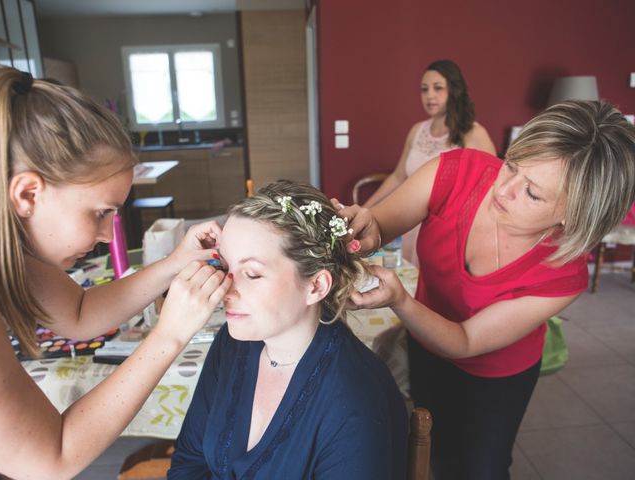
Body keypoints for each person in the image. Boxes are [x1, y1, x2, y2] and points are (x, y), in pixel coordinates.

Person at [339, 100, 635, 479]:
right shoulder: (457, 171)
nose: (504, 188)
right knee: (437, 449)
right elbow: (379, 226)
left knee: (485, 467)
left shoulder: (564, 273)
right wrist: (361, 230)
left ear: (573, 214)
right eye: (511, 164)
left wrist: (399, 300)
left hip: (499, 373)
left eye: (533, 193)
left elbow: (464, 340)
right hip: (427, 347)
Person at [0, 66, 232, 479]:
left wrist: (176, 261)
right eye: (100, 213)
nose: (108, 235)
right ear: (28, 193)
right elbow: (50, 460)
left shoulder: (15, 251)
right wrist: (170, 333)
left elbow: (81, 313)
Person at [168, 180, 408, 479]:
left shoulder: (353, 399)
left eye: (252, 274)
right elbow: (189, 464)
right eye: (225, 267)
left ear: (316, 286)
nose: (226, 289)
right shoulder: (233, 344)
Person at [364, 59, 496, 266]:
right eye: (424, 89)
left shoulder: (474, 133)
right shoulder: (417, 131)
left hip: (447, 231)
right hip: (411, 225)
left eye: (438, 88)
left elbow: (491, 188)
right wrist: (367, 209)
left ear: (454, 90)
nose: (430, 96)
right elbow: (399, 176)